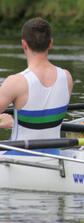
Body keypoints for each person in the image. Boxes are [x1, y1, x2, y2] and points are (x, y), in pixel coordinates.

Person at [0, 17, 73, 155]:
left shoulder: (16, 82)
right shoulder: (66, 77)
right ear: (50, 44)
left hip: (17, 159)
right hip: (53, 156)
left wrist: (5, 122)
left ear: (24, 44)